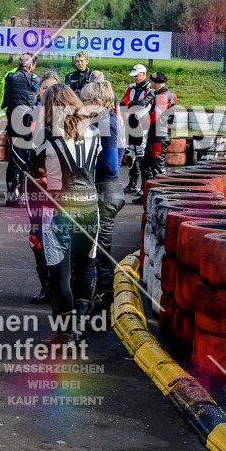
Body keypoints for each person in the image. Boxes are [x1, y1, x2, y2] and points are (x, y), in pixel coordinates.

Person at [27, 83, 100, 344]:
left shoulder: (46, 137)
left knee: (59, 275)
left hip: (59, 210)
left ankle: (67, 333)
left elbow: (32, 172)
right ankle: (79, 330)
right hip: (91, 208)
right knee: (85, 268)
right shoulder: (93, 132)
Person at [81, 80, 126, 310]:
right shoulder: (110, 119)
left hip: (105, 190)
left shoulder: (105, 121)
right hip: (109, 189)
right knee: (96, 247)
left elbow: (110, 165)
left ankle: (103, 302)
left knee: (100, 250)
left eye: (84, 101)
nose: (80, 105)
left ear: (96, 103)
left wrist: (81, 163)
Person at [24, 70, 60, 304]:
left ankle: (61, 286)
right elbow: (18, 153)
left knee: (59, 236)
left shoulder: (68, 119)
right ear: (38, 91)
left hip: (59, 188)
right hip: (34, 188)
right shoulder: (28, 116)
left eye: (52, 88)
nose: (47, 92)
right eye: (43, 87)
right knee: (36, 237)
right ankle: (46, 286)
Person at [0, 53, 39, 207]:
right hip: (28, 125)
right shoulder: (34, 78)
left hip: (13, 125)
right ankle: (23, 195)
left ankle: (11, 197)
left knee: (13, 161)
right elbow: (39, 96)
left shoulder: (9, 78)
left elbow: (5, 101)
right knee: (25, 160)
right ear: (30, 66)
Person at [131, 71, 177, 205]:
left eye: (151, 82)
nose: (150, 84)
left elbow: (154, 117)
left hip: (159, 136)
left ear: (155, 83)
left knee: (157, 166)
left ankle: (161, 197)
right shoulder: (167, 94)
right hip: (158, 134)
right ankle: (147, 195)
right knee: (146, 164)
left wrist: (140, 121)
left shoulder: (162, 96)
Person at [121, 63, 153, 194]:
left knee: (141, 153)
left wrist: (132, 104)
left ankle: (144, 186)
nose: (134, 78)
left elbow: (143, 103)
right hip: (130, 122)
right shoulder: (130, 87)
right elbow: (123, 103)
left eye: (137, 75)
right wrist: (132, 104)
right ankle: (132, 184)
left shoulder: (151, 88)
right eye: (133, 76)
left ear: (144, 74)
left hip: (144, 124)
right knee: (130, 153)